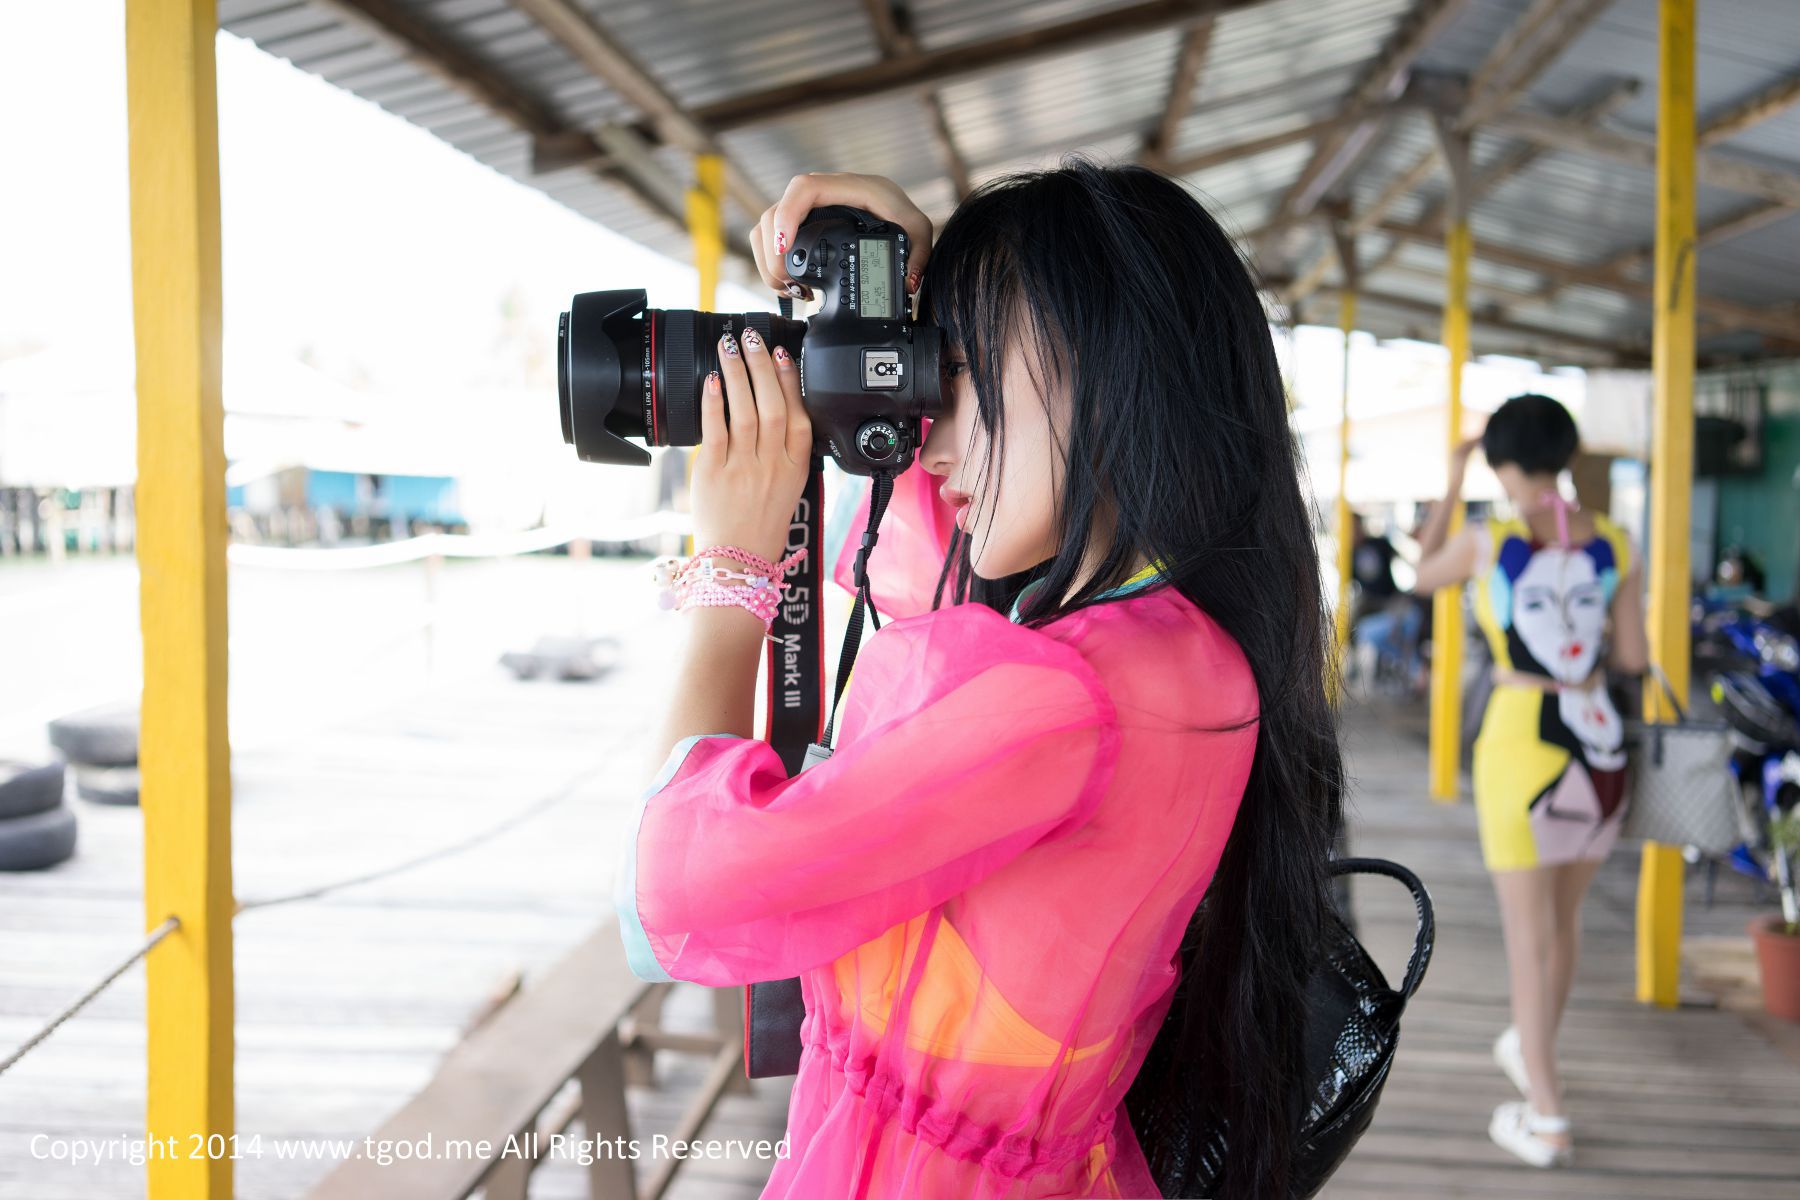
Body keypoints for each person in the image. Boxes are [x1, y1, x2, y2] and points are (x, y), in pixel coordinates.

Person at [610, 163, 1345, 1199]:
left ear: (1100, 358)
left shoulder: (1059, 697)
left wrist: (727, 562)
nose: (930, 428)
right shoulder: (1183, 652)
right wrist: (910, 297)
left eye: (954, 373)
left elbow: (671, 894)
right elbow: (924, 574)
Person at [1412, 393, 1648, 1169]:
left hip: (1523, 745)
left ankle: (1546, 1116)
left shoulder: (1491, 541)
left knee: (1527, 939)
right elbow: (1633, 662)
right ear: (1568, 455)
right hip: (1602, 747)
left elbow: (1419, 575)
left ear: (1503, 464)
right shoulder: (1616, 543)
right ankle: (1534, 1048)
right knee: (1563, 927)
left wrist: (1449, 484)